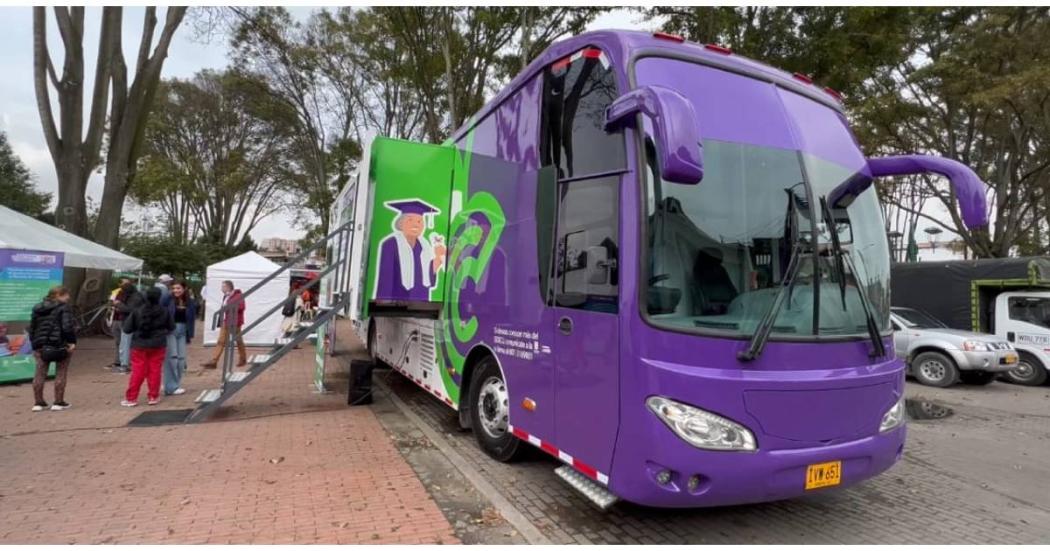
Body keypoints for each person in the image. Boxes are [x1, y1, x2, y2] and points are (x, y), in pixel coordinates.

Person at [374, 199, 447, 301]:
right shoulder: (391, 244)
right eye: (410, 220)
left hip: (421, 302)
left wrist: (438, 259)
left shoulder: (424, 246)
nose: (416, 225)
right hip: (396, 302)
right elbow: (385, 279)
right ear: (401, 223)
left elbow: (427, 277)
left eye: (419, 221)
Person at [121, 287, 174, 407]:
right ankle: (153, 396)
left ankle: (131, 398)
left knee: (138, 371)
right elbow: (171, 327)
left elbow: (127, 329)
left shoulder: (137, 311)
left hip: (139, 344)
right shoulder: (165, 311)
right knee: (155, 370)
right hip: (158, 344)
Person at [28, 286, 77, 411]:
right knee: (61, 371)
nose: (68, 297)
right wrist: (72, 342)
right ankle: (58, 402)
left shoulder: (37, 308)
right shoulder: (64, 308)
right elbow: (67, 327)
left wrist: (34, 343)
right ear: (59, 295)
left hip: (40, 345)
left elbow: (32, 327)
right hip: (59, 344)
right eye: (66, 295)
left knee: (39, 373)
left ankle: (38, 403)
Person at [162, 280, 196, 396]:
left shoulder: (189, 301)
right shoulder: (167, 299)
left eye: (178, 288)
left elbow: (191, 318)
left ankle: (175, 383)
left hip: (183, 331)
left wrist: (190, 333)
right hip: (170, 331)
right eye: (174, 288)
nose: (176, 290)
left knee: (181, 360)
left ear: (184, 288)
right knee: (172, 358)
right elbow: (161, 311)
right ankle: (170, 387)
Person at [202, 280, 247, 369]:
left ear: (228, 287)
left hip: (235, 322)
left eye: (223, 286)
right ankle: (214, 361)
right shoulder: (226, 296)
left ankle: (243, 358)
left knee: (238, 341)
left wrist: (229, 306)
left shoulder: (238, 296)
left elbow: (242, 307)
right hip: (226, 322)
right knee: (221, 341)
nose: (221, 288)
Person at [108, 277, 132, 369]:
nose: (126, 286)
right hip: (115, 318)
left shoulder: (131, 295)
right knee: (117, 341)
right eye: (124, 284)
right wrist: (114, 304)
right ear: (120, 284)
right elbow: (112, 303)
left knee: (125, 342)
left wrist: (119, 305)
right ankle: (117, 361)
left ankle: (125, 362)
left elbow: (127, 307)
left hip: (124, 320)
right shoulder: (116, 292)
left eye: (128, 284)